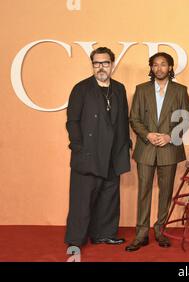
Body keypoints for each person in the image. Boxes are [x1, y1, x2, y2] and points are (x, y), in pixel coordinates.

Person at [65, 47, 131, 252]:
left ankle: (105, 234)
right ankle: (76, 239)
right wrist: (78, 147)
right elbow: (72, 121)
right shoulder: (81, 88)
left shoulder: (119, 88)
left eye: (105, 63)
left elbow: (122, 120)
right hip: (88, 153)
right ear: (92, 65)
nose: (101, 67)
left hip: (114, 153)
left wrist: (125, 145)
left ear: (112, 65)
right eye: (97, 63)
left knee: (109, 196)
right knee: (82, 199)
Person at [126, 52, 189, 251]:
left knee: (166, 192)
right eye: (155, 65)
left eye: (163, 64)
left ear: (170, 68)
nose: (159, 68)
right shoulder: (141, 89)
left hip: (169, 148)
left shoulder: (180, 90)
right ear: (151, 68)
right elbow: (134, 118)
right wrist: (148, 135)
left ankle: (161, 231)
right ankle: (141, 234)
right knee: (143, 192)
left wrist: (169, 136)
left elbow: (186, 119)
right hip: (146, 148)